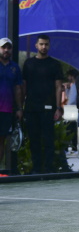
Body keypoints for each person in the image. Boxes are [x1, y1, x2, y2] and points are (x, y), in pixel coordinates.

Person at [21, 34, 64, 174]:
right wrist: (21, 107)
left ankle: (48, 168)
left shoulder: (55, 64)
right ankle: (36, 168)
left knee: (48, 139)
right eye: (41, 44)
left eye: (46, 44)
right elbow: (23, 86)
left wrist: (58, 107)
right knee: (34, 139)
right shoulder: (28, 64)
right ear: (36, 45)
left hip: (49, 108)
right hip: (31, 107)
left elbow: (58, 87)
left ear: (49, 46)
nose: (44, 47)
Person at [0, 38, 23, 172]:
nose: (6, 50)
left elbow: (18, 89)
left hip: (6, 110)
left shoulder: (15, 67)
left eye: (8, 48)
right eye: (3, 47)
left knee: (1, 140)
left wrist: (19, 108)